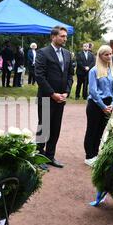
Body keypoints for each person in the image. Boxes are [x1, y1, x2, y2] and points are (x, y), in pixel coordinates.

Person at [35, 26, 74, 170]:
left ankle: (50, 156)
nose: (65, 38)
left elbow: (70, 75)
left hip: (61, 98)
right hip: (47, 97)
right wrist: (52, 94)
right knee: (44, 127)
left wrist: (66, 93)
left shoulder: (67, 54)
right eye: (62, 36)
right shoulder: (43, 53)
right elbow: (39, 76)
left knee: (55, 128)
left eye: (65, 36)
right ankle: (39, 157)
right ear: (53, 37)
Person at [84, 45, 113, 167]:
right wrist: (103, 106)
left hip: (108, 104)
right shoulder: (94, 71)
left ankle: (95, 154)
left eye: (110, 54)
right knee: (92, 130)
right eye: (106, 54)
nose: (109, 56)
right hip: (95, 104)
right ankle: (89, 156)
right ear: (100, 56)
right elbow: (93, 91)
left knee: (100, 131)